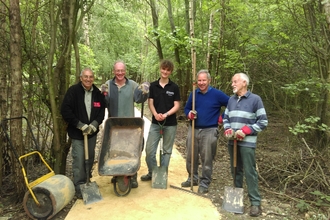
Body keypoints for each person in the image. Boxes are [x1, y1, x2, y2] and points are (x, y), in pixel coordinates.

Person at [223, 73, 268, 217]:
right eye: (232, 82)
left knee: (250, 172)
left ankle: (255, 203)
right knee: (235, 170)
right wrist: (228, 129)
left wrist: (246, 130)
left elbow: (263, 122)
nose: (232, 84)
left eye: (235, 81)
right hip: (233, 142)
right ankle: (237, 201)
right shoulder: (231, 100)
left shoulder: (256, 99)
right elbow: (225, 118)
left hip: (247, 143)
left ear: (244, 82)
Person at [101, 60, 149, 188]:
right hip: (114, 126)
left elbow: (139, 99)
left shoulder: (132, 84)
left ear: (125, 71)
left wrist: (145, 88)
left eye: (122, 70)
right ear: (114, 71)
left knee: (131, 151)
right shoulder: (108, 85)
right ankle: (117, 174)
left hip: (130, 125)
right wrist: (102, 93)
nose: (120, 73)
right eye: (117, 70)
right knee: (115, 151)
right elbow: (103, 102)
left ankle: (132, 175)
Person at [181, 70, 229, 194]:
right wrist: (189, 114)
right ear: (196, 81)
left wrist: (222, 117)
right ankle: (193, 178)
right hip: (193, 128)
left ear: (209, 80)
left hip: (210, 130)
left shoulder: (217, 94)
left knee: (206, 157)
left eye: (204, 80)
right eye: (199, 80)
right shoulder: (194, 94)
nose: (201, 83)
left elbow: (231, 104)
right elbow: (186, 108)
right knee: (191, 155)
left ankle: (205, 182)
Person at [61, 67, 106, 199]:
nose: (88, 79)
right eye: (85, 77)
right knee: (79, 159)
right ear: (81, 78)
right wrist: (79, 125)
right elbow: (65, 110)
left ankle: (87, 180)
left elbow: (101, 112)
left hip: (91, 133)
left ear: (93, 78)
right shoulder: (73, 92)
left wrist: (94, 124)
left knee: (90, 157)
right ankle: (79, 185)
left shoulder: (97, 93)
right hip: (77, 134)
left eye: (90, 77)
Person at [140, 59, 181, 181]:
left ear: (171, 72)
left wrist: (166, 114)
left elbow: (177, 105)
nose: (165, 71)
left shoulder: (174, 87)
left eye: (168, 70)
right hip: (155, 123)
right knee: (149, 151)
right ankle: (153, 173)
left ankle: (162, 176)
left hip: (170, 124)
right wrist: (156, 114)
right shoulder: (153, 86)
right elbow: (150, 102)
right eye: (163, 69)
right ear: (160, 69)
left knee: (166, 151)